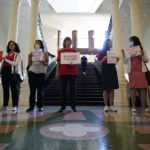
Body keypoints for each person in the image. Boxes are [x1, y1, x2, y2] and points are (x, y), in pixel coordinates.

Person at [122, 36, 149, 112]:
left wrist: (142, 54)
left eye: (130, 41)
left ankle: (144, 106)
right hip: (132, 71)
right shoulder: (129, 50)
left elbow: (146, 60)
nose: (130, 42)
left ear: (134, 41)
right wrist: (124, 55)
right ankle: (133, 106)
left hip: (141, 71)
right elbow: (125, 62)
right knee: (133, 89)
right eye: (129, 41)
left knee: (143, 89)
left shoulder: (141, 49)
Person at [55, 37, 78, 112]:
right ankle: (63, 107)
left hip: (73, 72)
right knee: (63, 90)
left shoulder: (74, 51)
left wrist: (73, 64)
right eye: (66, 41)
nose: (68, 42)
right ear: (64, 42)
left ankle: (73, 106)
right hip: (64, 72)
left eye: (69, 41)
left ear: (71, 42)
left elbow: (77, 62)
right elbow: (58, 62)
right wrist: (57, 72)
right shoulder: (61, 51)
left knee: (72, 90)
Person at [26, 40, 49, 112]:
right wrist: (29, 57)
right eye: (36, 43)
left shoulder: (44, 53)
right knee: (32, 91)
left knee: (40, 91)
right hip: (32, 72)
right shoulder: (32, 52)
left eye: (38, 43)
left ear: (41, 44)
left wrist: (42, 60)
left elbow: (47, 64)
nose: (37, 44)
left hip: (41, 73)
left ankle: (40, 106)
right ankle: (31, 106)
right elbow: (29, 63)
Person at [98, 39, 119, 112]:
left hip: (112, 69)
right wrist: (103, 59)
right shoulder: (100, 52)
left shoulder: (112, 52)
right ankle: (106, 106)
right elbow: (99, 63)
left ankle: (112, 106)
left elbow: (114, 62)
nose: (111, 43)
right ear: (106, 43)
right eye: (110, 42)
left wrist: (117, 60)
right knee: (105, 88)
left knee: (112, 88)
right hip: (105, 70)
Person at [0, 41, 22, 111]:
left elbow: (16, 64)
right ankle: (5, 105)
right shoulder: (6, 54)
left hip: (12, 73)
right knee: (5, 89)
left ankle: (15, 106)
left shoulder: (18, 54)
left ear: (15, 46)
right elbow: (3, 64)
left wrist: (5, 59)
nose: (11, 46)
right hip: (4, 72)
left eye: (12, 45)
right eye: (10, 45)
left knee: (14, 90)